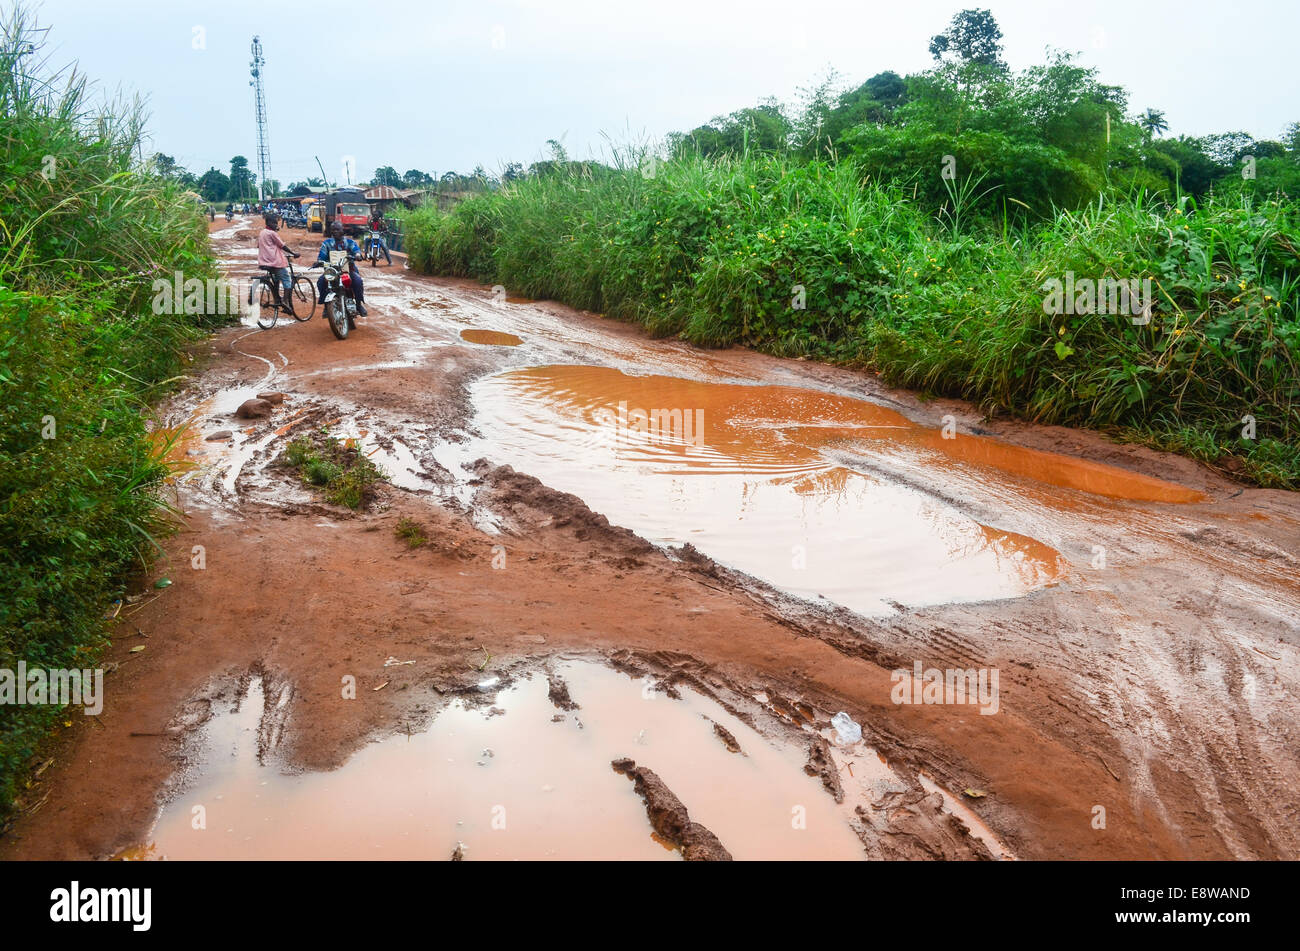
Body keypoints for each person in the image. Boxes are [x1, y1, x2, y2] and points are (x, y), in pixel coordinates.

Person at [316, 220, 367, 318]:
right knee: (321, 282)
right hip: (332, 271)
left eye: (337, 230)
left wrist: (357, 255)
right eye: (333, 230)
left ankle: (358, 305)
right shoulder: (326, 243)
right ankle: (326, 306)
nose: (335, 232)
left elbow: (356, 251)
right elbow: (321, 256)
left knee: (357, 281)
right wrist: (319, 261)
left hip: (348, 270)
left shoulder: (350, 242)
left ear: (342, 230)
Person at [257, 213, 295, 313]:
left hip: (263, 262)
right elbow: (282, 246)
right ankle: (285, 301)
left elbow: (259, 245)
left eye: (276, 223)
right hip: (274, 262)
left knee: (276, 279)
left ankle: (277, 297)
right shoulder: (273, 234)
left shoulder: (262, 232)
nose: (275, 225)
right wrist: (293, 253)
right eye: (273, 223)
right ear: (268, 223)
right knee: (287, 279)